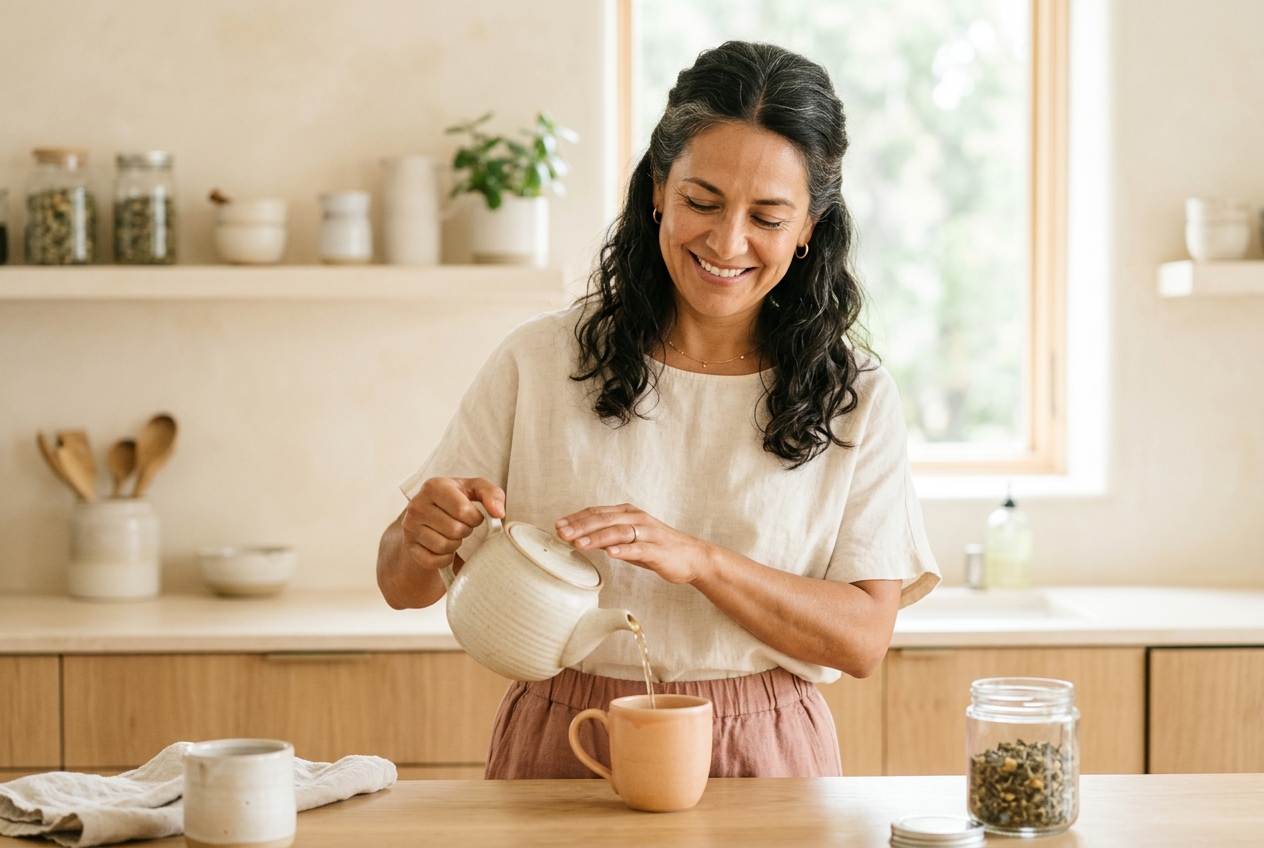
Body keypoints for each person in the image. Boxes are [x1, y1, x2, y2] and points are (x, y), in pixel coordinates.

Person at [377, 40, 939, 779]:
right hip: (564, 736)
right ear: (656, 191)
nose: (727, 241)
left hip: (763, 748)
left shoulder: (856, 395)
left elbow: (864, 639)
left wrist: (700, 560)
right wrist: (422, 534)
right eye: (701, 202)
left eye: (768, 217)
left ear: (810, 228)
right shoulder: (540, 360)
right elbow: (401, 584)